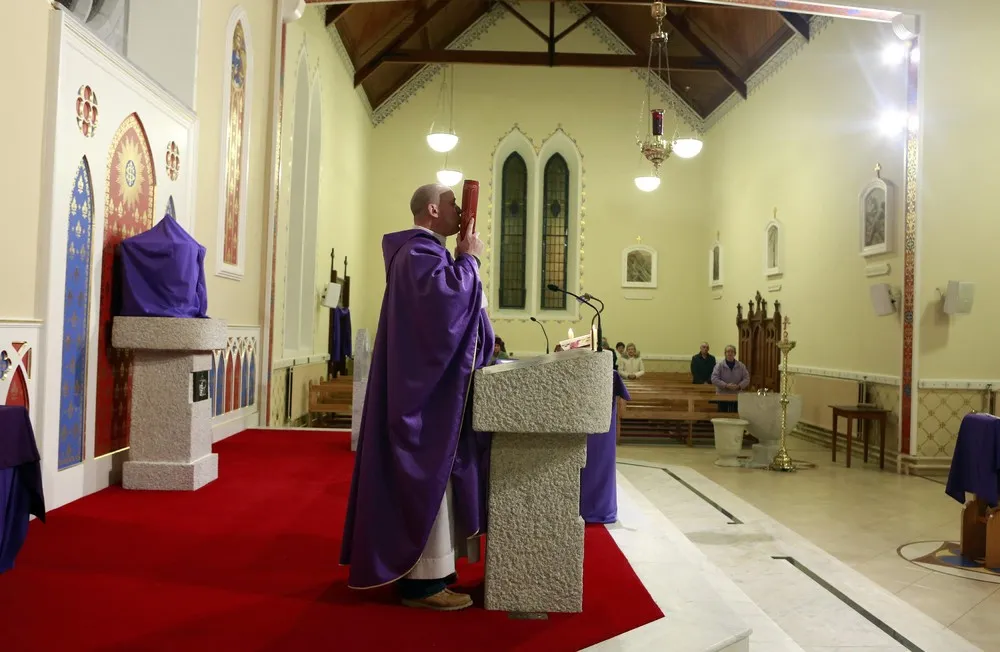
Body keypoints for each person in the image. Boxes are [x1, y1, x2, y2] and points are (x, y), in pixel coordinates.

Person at [340, 183, 495, 612]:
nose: (459, 211)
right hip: (421, 401)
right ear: (432, 209)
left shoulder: (427, 255)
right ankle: (422, 586)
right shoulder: (417, 254)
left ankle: (434, 574)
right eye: (452, 204)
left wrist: (464, 264)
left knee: (438, 481)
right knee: (427, 478)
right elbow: (443, 312)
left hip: (428, 393)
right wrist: (470, 260)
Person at [710, 345, 750, 413]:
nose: (730, 353)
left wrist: (739, 386)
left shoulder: (741, 366)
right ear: (725, 353)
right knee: (722, 415)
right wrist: (726, 385)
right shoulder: (719, 365)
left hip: (736, 394)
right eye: (728, 351)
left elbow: (747, 378)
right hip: (722, 394)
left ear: (735, 353)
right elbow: (714, 378)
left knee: (736, 414)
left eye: (732, 351)